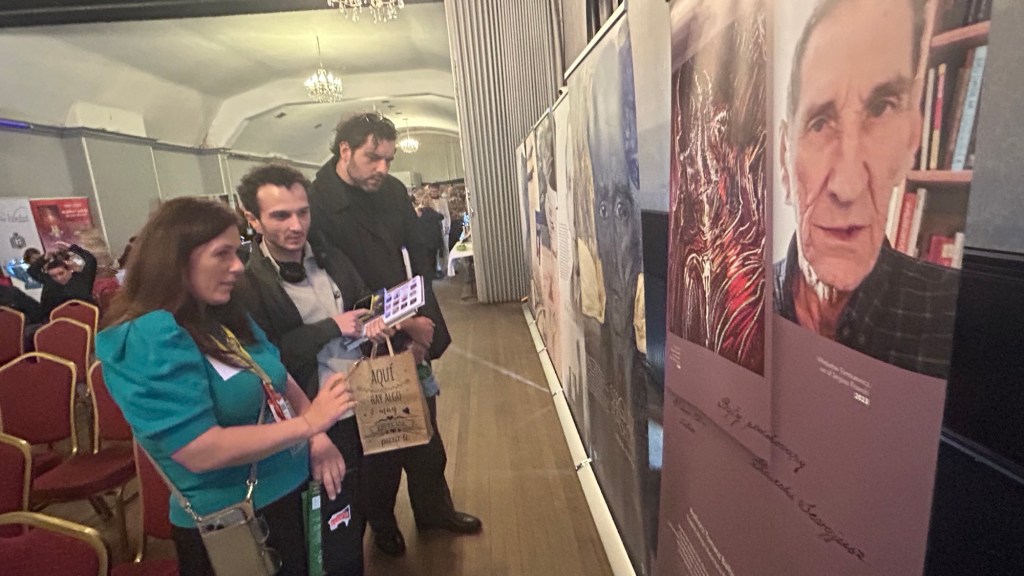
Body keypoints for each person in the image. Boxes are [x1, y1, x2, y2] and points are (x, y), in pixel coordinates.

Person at [95, 197, 356, 576]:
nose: (237, 266)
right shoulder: (148, 337)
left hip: (293, 495)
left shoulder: (219, 315)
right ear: (176, 259)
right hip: (236, 520)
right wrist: (308, 424)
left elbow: (276, 376)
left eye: (237, 252)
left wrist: (317, 438)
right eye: (222, 254)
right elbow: (200, 450)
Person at [308, 111, 480, 556]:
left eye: (388, 159)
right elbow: (337, 279)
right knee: (379, 440)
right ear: (345, 150)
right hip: (359, 334)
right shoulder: (318, 201)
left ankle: (433, 509)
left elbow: (416, 260)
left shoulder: (391, 191)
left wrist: (423, 326)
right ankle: (381, 523)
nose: (382, 168)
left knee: (425, 430)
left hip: (408, 319)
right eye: (373, 158)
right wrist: (398, 323)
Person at [775, 0, 958, 378]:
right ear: (783, 160)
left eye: (880, 108)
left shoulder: (954, 319)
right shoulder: (740, 299)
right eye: (820, 123)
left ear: (910, 140)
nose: (848, 186)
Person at [237, 164, 393, 575]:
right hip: (314, 414)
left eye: (302, 212)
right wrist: (331, 327)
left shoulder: (329, 255)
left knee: (366, 498)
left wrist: (375, 318)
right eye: (280, 215)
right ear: (253, 219)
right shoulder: (249, 283)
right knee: (330, 521)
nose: (296, 225)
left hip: (365, 397)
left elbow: (363, 299)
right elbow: (269, 359)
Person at [27, 241, 97, 317]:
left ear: (69, 270)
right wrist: (44, 258)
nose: (59, 278)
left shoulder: (82, 279)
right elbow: (32, 271)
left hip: (84, 317)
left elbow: (91, 260)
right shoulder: (49, 281)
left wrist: (72, 248)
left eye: (61, 273)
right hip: (56, 320)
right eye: (54, 276)